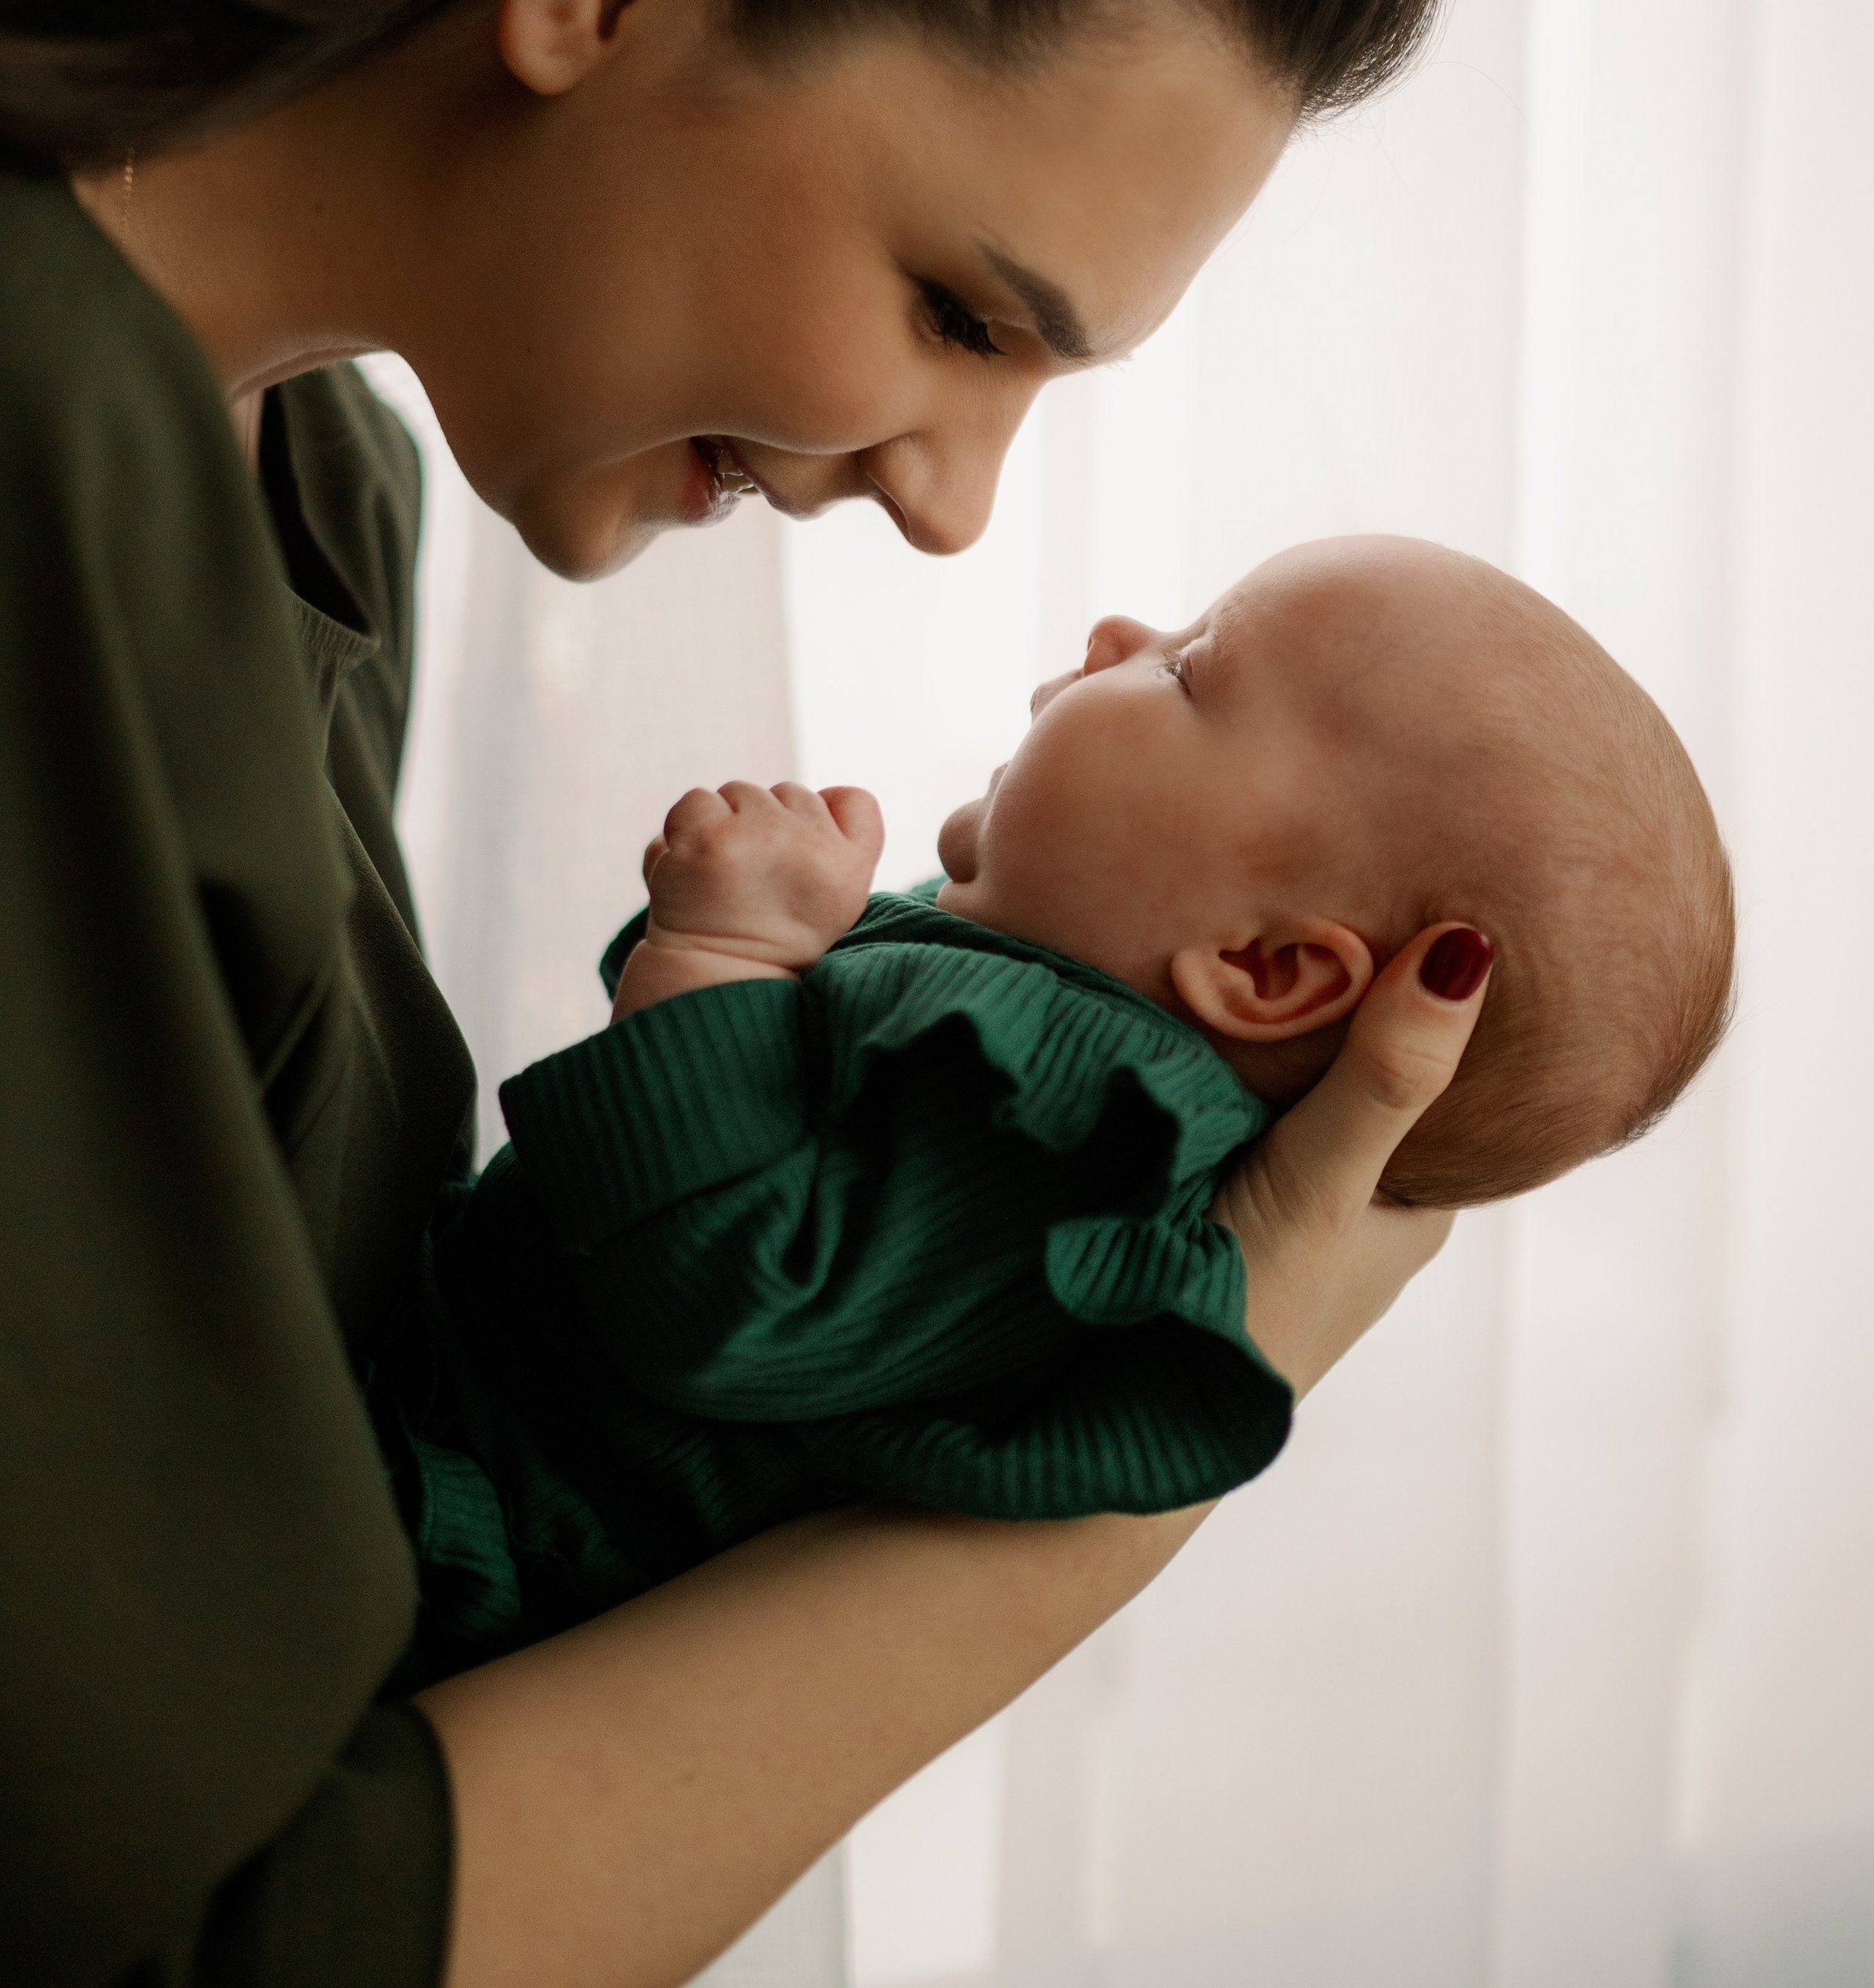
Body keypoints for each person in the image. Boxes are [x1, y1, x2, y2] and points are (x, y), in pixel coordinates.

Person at [0, 0, 1484, 1988]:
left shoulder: (304, 469)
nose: (950, 511)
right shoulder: (37, 456)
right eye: (962, 312)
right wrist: (1159, 1421)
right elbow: (203, 1933)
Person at [379, 535, 1736, 1678]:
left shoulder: (1079, 1128)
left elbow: (734, 1295)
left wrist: (725, 958)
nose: (1116, 632)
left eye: (1190, 672)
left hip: (455, 1525)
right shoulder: (1030, 1013)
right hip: (431, 1389)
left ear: (1265, 971)